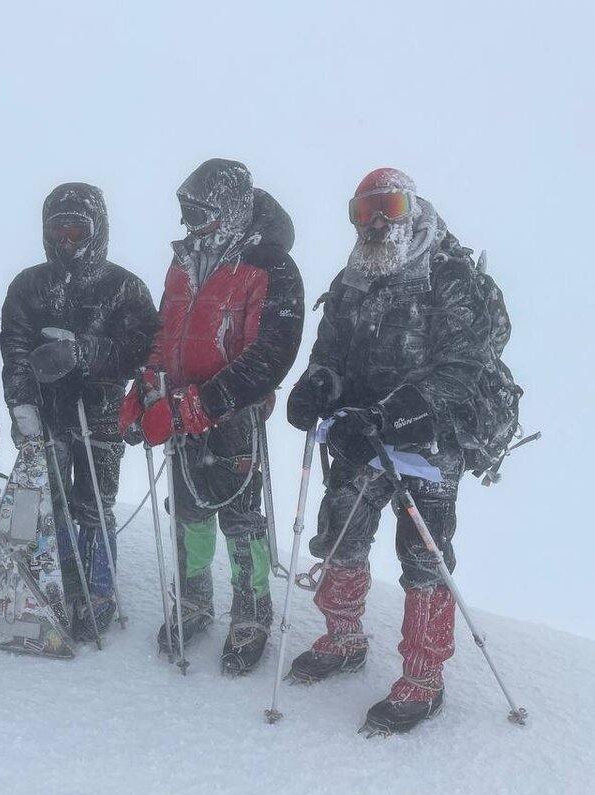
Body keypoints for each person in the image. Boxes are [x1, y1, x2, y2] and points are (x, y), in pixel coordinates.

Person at [284, 167, 492, 733]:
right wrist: (318, 384)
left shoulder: (447, 274)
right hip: (358, 432)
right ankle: (343, 637)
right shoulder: (352, 277)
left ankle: (424, 677)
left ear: (412, 210)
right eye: (363, 211)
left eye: (390, 207)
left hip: (429, 441)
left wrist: (391, 415)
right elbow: (329, 351)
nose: (376, 222)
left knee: (424, 555)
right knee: (340, 535)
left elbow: (462, 369)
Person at [121, 159, 304, 674]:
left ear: (231, 210)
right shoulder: (183, 262)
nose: (191, 224)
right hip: (178, 408)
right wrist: (146, 387)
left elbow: (270, 356)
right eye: (186, 213)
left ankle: (251, 612)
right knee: (187, 511)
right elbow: (165, 335)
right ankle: (195, 600)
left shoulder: (271, 266)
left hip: (233, 413)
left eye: (201, 213)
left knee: (240, 519)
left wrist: (193, 408)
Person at [0, 182, 158, 640]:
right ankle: (64, 579)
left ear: (96, 229)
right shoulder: (28, 284)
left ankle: (100, 588)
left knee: (95, 503)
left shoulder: (123, 285)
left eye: (76, 230)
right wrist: (21, 401)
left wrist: (83, 352)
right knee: (50, 501)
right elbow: (14, 346)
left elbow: (140, 348)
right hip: (45, 410)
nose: (66, 241)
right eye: (58, 230)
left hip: (101, 410)